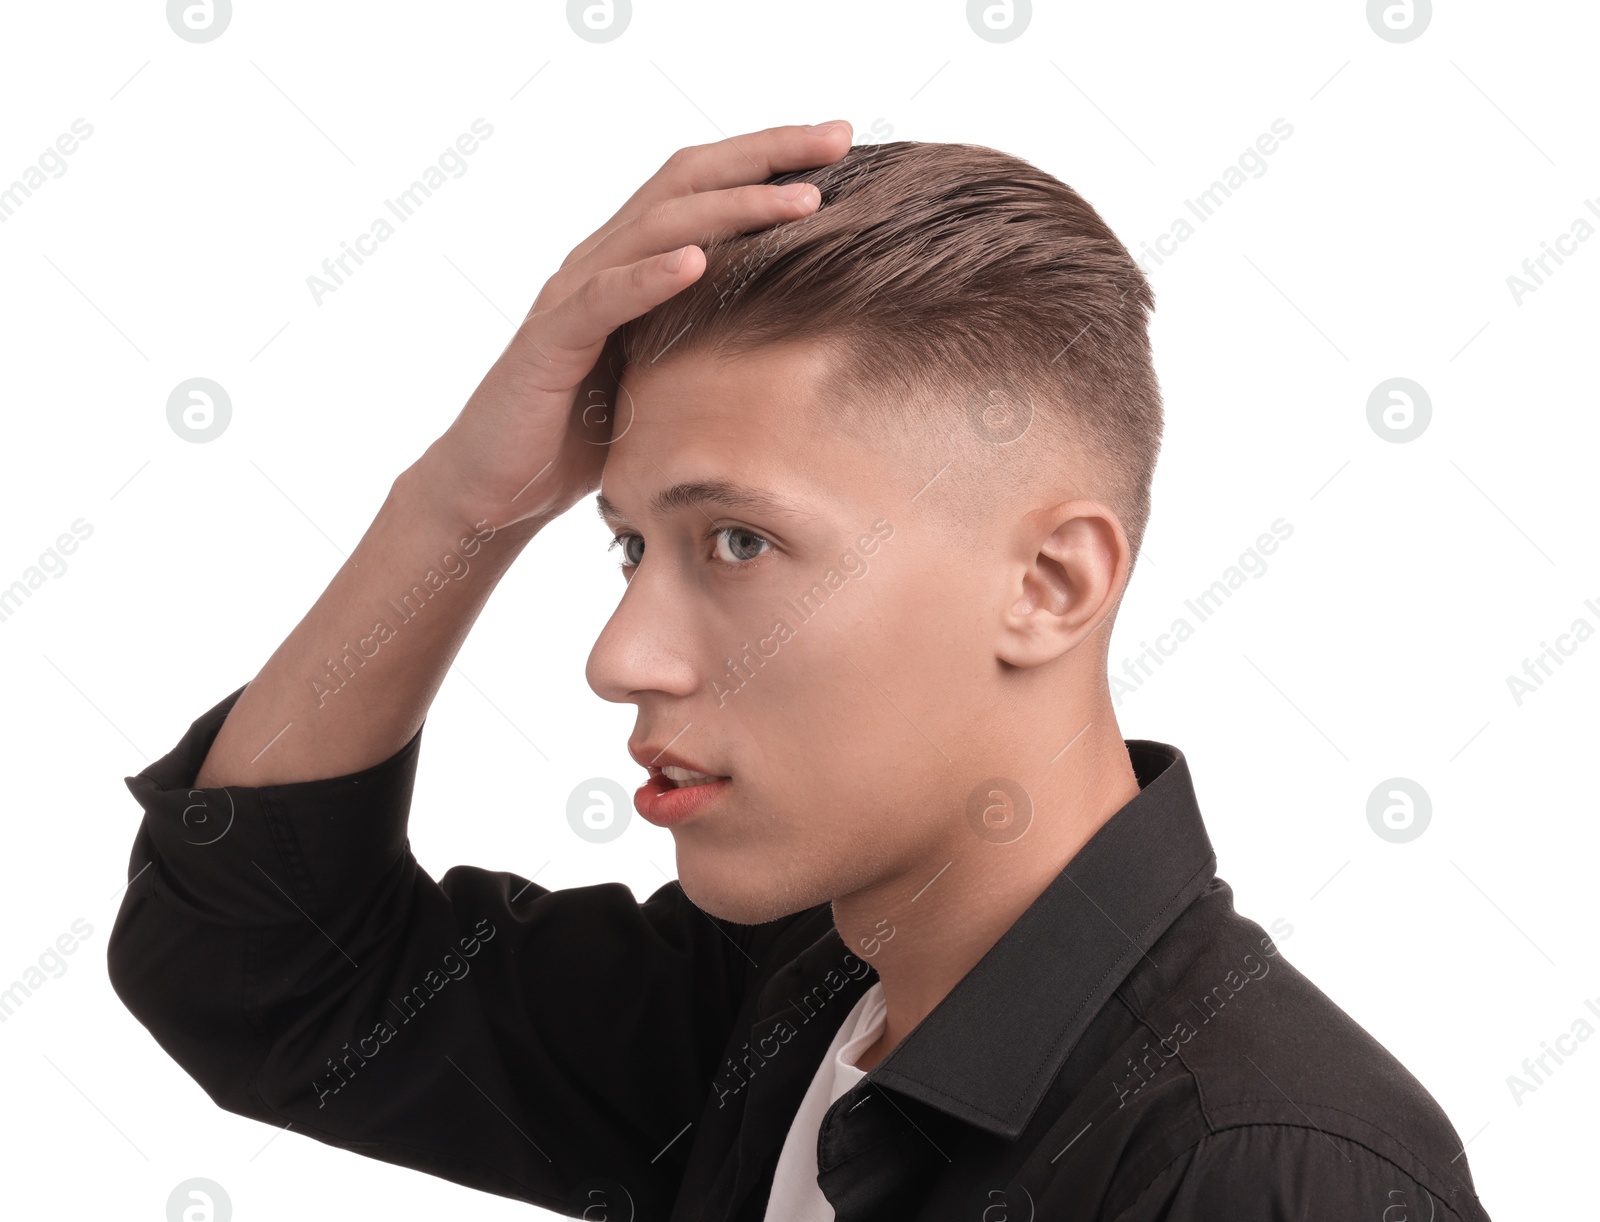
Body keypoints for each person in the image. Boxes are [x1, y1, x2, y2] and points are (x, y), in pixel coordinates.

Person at [107, 121, 1493, 1221]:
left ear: (1050, 584)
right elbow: (262, 973)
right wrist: (464, 508)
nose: (618, 655)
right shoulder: (783, 1003)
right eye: (627, 548)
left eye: (739, 539)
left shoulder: (1268, 1170)